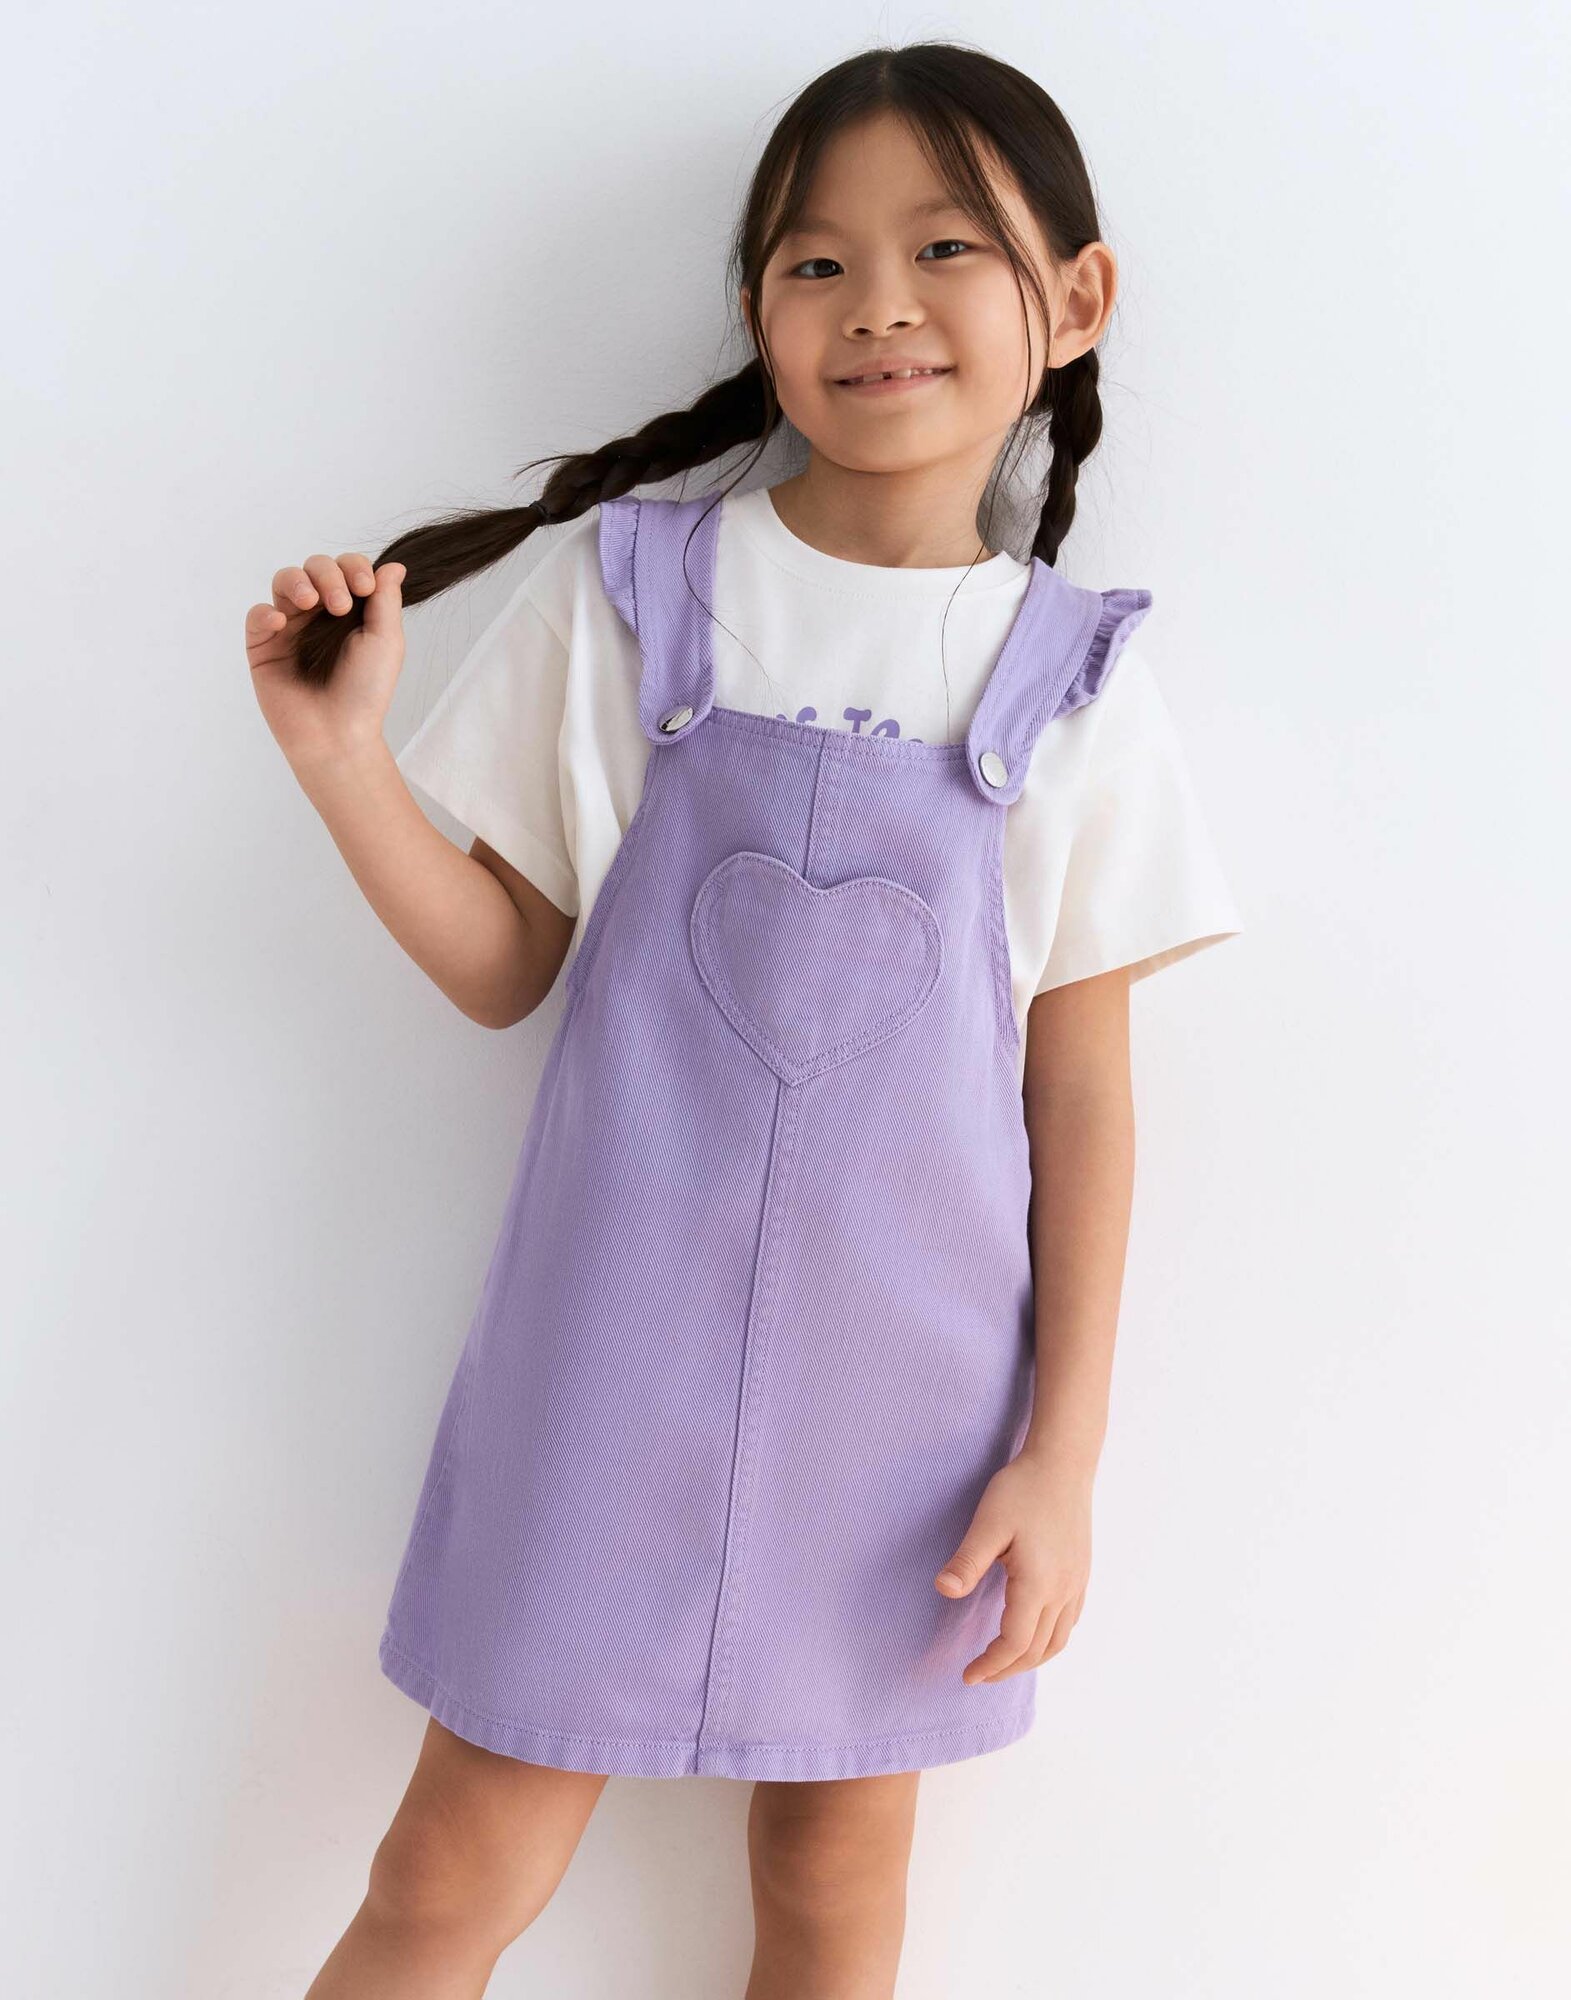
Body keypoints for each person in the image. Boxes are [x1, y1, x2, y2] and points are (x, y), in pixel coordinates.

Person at [246, 41, 1243, 2000]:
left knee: (834, 1890)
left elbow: (1082, 1101)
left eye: (945, 247)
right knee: (446, 1874)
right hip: (599, 1373)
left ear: (1073, 301)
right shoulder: (632, 595)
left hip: (908, 1431)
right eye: (816, 262)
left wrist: (1062, 1457)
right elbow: (501, 960)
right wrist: (343, 757)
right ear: (756, 309)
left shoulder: (1076, 684)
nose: (878, 302)